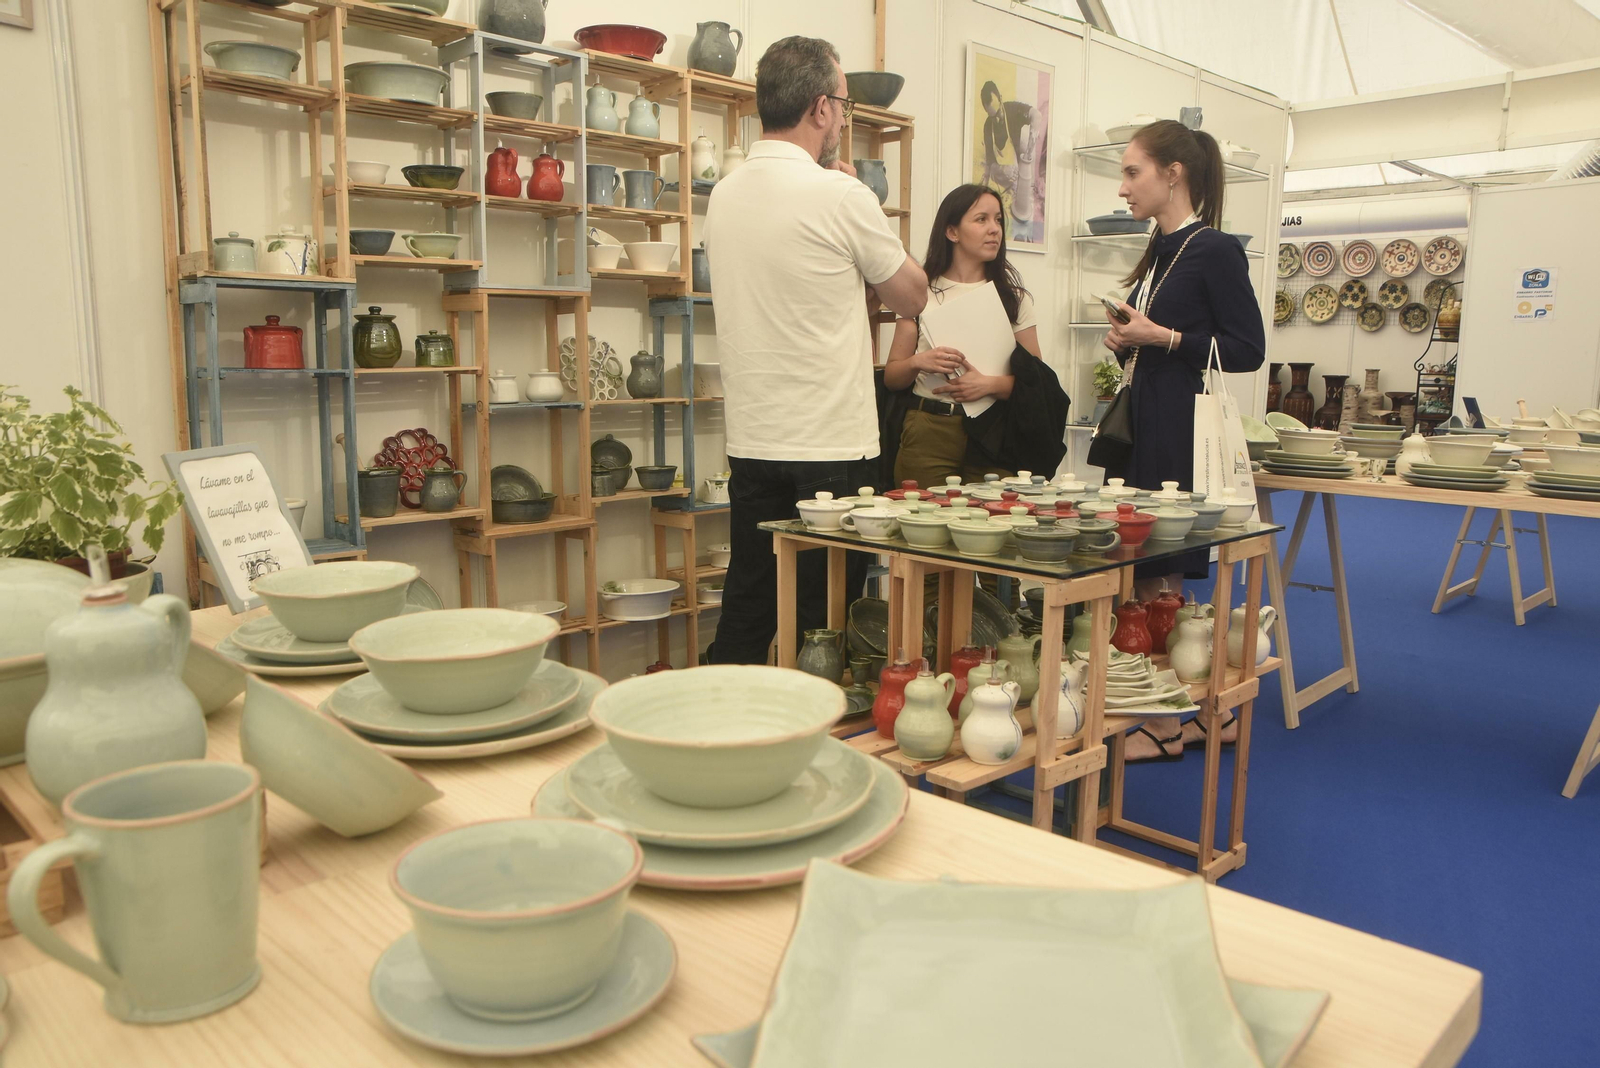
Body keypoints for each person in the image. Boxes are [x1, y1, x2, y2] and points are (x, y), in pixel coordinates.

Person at [702, 35, 928, 666]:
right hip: (830, 446)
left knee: (747, 605)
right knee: (824, 625)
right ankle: (815, 753)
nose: (845, 120)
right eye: (846, 107)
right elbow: (912, 296)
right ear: (821, 108)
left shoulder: (725, 193)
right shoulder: (841, 195)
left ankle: (713, 743)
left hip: (754, 438)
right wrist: (870, 213)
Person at [1097, 119, 1265, 762]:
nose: (1123, 187)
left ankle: (1166, 719)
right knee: (1151, 573)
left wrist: (1161, 338)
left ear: (1174, 174)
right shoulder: (1160, 249)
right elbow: (1161, 330)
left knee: (1156, 570)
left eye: (1132, 171)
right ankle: (1189, 713)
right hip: (1145, 411)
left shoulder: (1214, 248)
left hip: (1174, 419)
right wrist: (1127, 335)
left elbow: (1249, 350)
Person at [880, 183, 1067, 489]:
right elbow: (892, 376)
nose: (994, 229)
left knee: (990, 524)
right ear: (952, 232)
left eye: (998, 221)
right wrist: (919, 362)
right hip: (929, 427)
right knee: (921, 523)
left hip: (995, 430)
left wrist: (989, 385)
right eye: (981, 219)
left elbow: (1038, 384)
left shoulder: (1014, 298)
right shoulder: (920, 292)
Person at [980, 83, 1044, 235]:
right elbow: (990, 164)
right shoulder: (988, 126)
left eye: (999, 113)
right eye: (992, 116)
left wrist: (1030, 147)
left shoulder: (1012, 110)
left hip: (1021, 166)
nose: (997, 119)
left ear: (1001, 100)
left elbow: (1037, 115)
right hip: (1004, 176)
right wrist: (1002, 169)